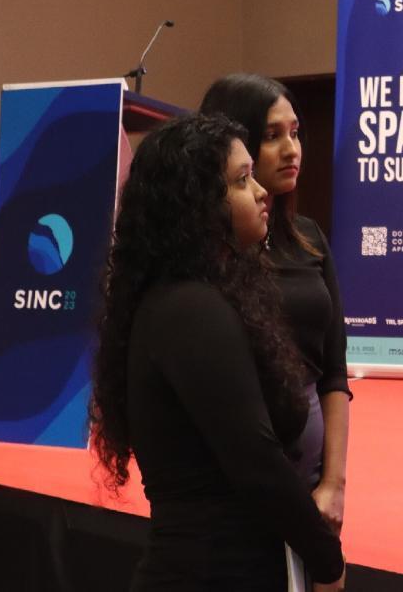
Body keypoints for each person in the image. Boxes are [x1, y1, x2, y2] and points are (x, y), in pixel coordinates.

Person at [89, 114, 345, 590]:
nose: (262, 192)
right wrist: (328, 559)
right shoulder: (190, 306)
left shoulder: (202, 295)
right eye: (243, 180)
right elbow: (255, 459)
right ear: (198, 204)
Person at [200, 74, 351, 535]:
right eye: (271, 136)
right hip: (230, 489)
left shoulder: (309, 238)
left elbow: (333, 371)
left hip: (310, 486)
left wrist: (334, 484)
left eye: (295, 132)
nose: (292, 149)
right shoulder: (205, 255)